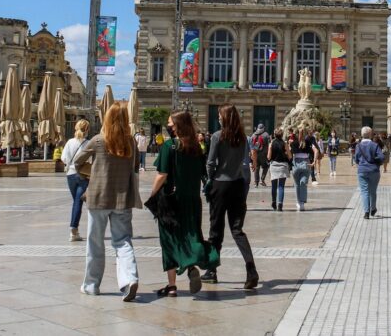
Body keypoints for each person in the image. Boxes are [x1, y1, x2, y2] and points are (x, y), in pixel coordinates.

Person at [74, 104, 141, 301]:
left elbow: (77, 162)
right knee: (123, 241)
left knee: (95, 243)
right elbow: (135, 166)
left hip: (98, 198)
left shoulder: (97, 141)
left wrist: (91, 172)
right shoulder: (131, 142)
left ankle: (92, 285)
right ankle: (130, 279)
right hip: (122, 199)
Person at [150, 111, 219, 297]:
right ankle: (190, 267)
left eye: (170, 124)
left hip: (171, 201)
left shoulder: (169, 146)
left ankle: (172, 286)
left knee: (169, 240)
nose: (168, 126)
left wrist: (152, 194)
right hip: (192, 201)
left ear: (178, 125)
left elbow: (162, 175)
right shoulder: (197, 148)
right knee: (190, 235)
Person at [204, 105, 258, 290]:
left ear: (224, 118)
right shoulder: (243, 137)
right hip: (237, 184)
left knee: (215, 229)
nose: (218, 118)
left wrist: (209, 180)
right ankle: (251, 270)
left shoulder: (217, 136)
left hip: (220, 184)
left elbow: (210, 163)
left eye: (220, 115)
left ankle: (212, 271)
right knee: (237, 230)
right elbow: (244, 162)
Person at [60, 119, 91, 242]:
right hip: (83, 175)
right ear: (87, 129)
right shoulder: (88, 143)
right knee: (78, 202)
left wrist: (70, 163)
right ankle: (74, 230)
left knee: (76, 202)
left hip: (71, 175)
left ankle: (74, 231)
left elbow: (63, 158)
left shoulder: (70, 142)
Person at [354, 126, 384, 219]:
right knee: (372, 191)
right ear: (370, 134)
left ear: (362, 135)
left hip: (362, 170)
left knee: (364, 191)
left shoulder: (358, 146)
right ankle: (373, 209)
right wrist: (375, 162)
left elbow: (356, 159)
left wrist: (362, 164)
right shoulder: (375, 145)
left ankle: (366, 212)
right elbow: (381, 157)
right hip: (374, 171)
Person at [290, 130, 317, 211]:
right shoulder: (305, 142)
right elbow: (316, 150)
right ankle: (300, 202)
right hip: (303, 163)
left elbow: (288, 152)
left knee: (300, 183)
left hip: (299, 163)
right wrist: (314, 162)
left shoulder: (296, 143)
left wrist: (314, 162)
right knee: (301, 184)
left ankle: (300, 202)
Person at [268, 128, 291, 211]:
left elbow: (269, 157)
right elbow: (290, 156)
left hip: (274, 165)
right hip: (283, 166)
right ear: (282, 135)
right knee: (281, 186)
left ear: (274, 134)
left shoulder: (271, 143)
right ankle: (280, 204)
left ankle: (274, 201)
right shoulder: (284, 144)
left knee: (273, 186)